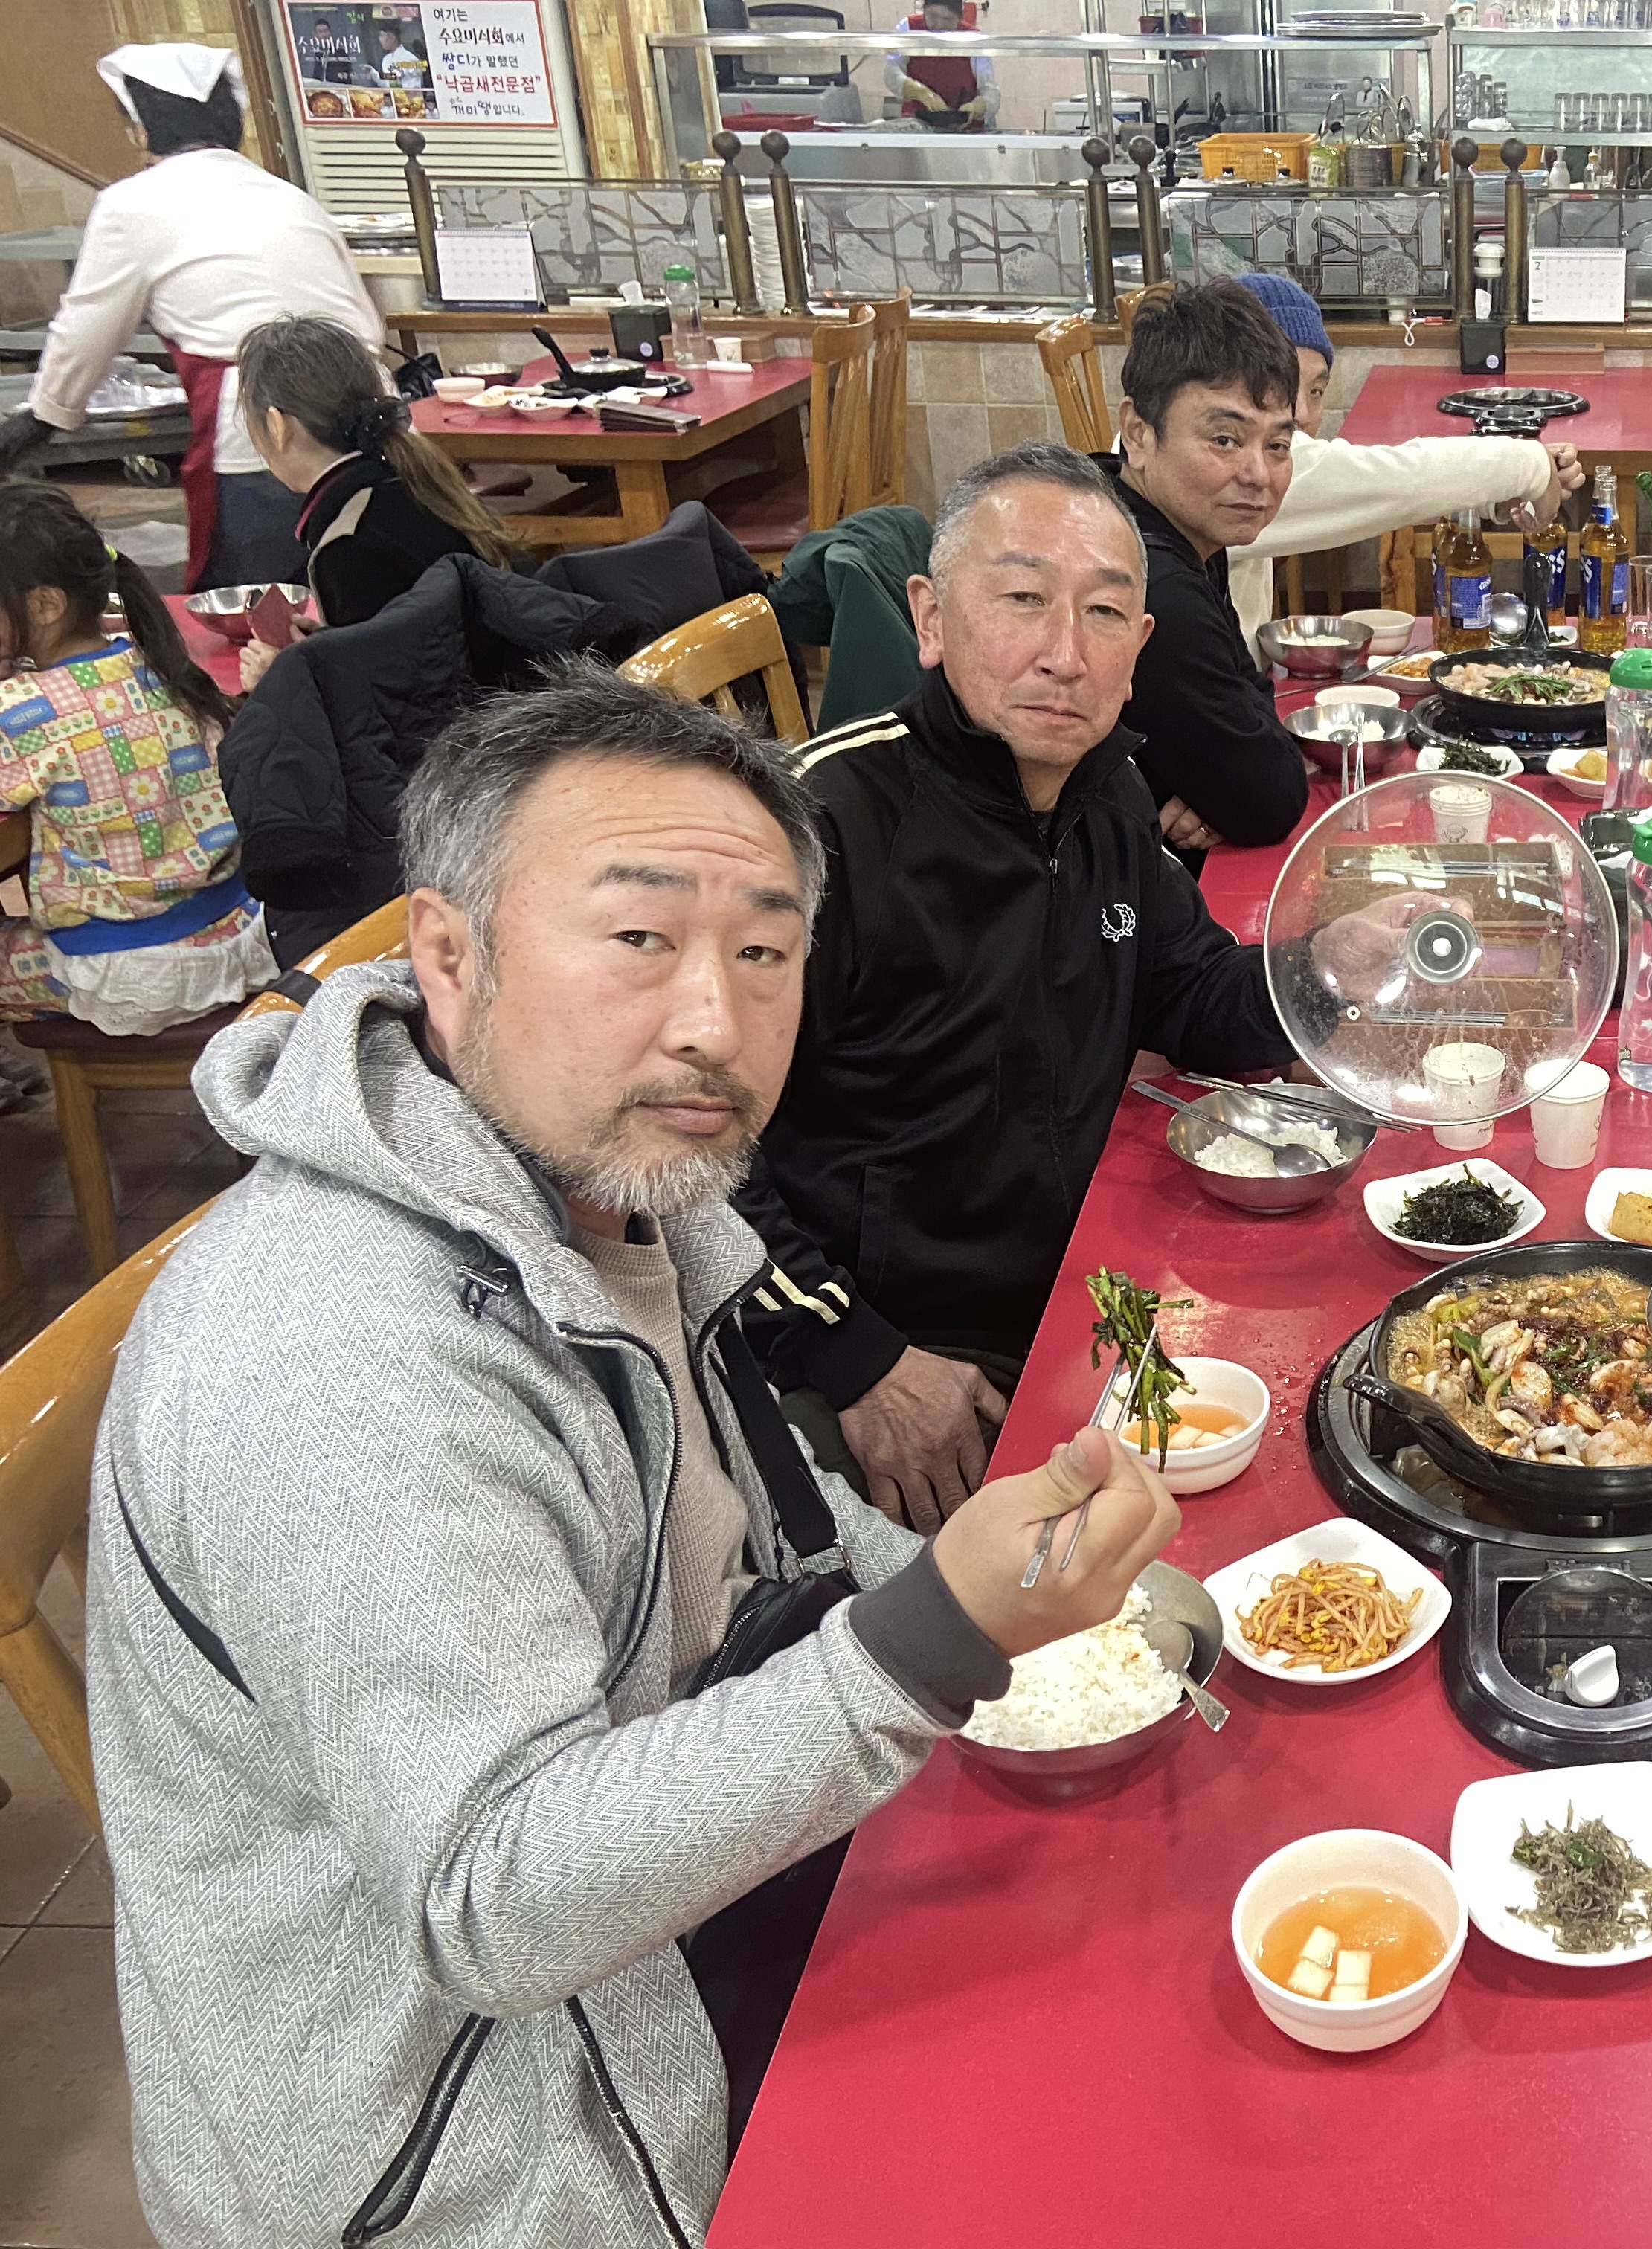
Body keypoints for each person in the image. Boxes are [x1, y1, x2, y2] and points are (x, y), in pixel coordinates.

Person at [88, 661, 1183, 2245]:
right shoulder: (334, 1349)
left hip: (654, 1899)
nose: (713, 1024)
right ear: (448, 954)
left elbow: (757, 1544)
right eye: (638, 939)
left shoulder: (610, 1185)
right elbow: (490, 1900)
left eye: (764, 952)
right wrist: (935, 1633)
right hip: (484, 2137)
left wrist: (1023, 1605)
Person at [739, 443, 1403, 1529]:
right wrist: (858, 1360)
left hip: (1090, 1290)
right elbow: (688, 1161)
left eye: (1102, 614)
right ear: (930, 618)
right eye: (1022, 600)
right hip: (894, 1348)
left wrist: (1328, 965)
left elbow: (1191, 995)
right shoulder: (817, 826)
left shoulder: (1109, 796)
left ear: (1139, 648)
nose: (1064, 654)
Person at [0, 45, 385, 593]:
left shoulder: (130, 204)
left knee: (262, 599)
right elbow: (366, 324)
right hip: (373, 413)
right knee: (369, 582)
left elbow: (85, 330)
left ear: (141, 128)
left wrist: (42, 418)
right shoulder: (289, 196)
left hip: (268, 431)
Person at [0, 482, 271, 1036]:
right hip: (241, 934)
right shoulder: (164, 666)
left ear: (46, 606)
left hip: (132, 973)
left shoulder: (19, 711)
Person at [1221, 271, 1587, 643]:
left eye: (1316, 391)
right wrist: (1526, 466)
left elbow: (1381, 488)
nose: (1300, 413)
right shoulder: (1225, 468)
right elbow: (1389, 482)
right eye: (1280, 385)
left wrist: (1500, 494)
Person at [1097, 278, 1314, 855]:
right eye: (1224, 439)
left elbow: (1251, 689)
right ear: (1138, 433)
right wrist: (1231, 787)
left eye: (1277, 446)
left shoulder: (1167, 521)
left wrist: (1215, 787)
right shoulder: (1150, 583)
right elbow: (1273, 800)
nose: (1258, 475)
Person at [234, 313, 521, 682]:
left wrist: (282, 679)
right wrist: (326, 645)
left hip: (478, 712)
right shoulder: (403, 482)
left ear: (277, 426)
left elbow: (387, 699)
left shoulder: (349, 541)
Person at [890, 0, 994, 126]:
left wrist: (978, 106)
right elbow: (891, 73)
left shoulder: (973, 39)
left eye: (948, 19)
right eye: (933, 16)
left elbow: (990, 91)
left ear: (960, 18)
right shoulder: (908, 28)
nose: (939, 25)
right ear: (924, 10)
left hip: (966, 130)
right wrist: (919, 92)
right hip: (916, 125)